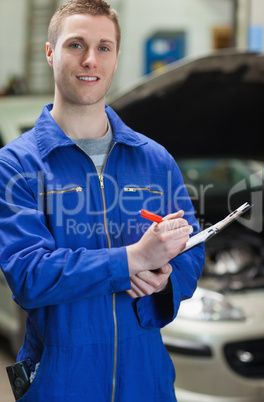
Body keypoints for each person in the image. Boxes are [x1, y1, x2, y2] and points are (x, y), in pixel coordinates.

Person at [0, 0, 205, 400]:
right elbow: (28, 275)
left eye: (104, 47)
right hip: (61, 382)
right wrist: (133, 259)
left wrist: (166, 278)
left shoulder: (154, 159)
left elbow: (191, 247)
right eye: (76, 45)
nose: (90, 59)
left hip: (146, 379)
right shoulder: (17, 165)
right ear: (49, 52)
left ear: (116, 57)